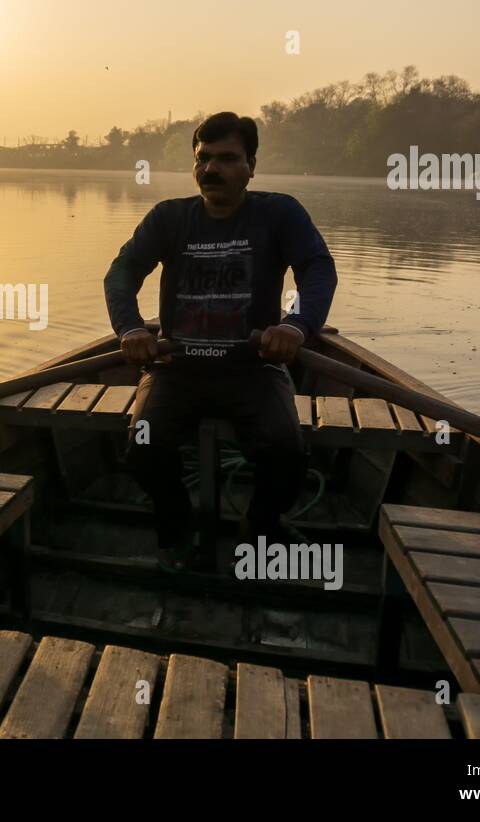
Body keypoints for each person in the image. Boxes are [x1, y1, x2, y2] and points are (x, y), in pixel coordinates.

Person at [103, 111, 338, 572]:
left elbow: (317, 268)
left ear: (251, 165)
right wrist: (130, 329)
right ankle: (176, 525)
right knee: (144, 449)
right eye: (203, 159)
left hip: (254, 367)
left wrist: (296, 326)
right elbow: (121, 274)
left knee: (287, 456)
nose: (212, 169)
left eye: (227, 159)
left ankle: (260, 528)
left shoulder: (279, 212)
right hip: (177, 366)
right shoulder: (169, 218)